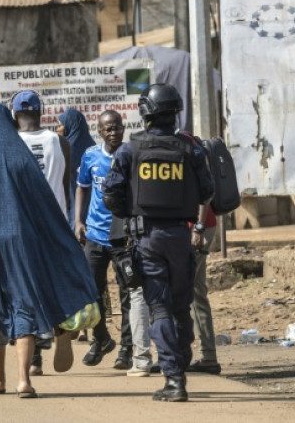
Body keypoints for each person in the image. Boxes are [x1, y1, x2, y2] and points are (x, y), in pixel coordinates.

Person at [0, 104, 98, 398]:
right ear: (10, 123)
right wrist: (57, 236)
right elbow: (44, 204)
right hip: (21, 243)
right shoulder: (20, 158)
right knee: (22, 303)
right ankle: (24, 380)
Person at [103, 83, 214, 402]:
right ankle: (181, 360)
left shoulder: (130, 150)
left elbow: (111, 193)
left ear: (145, 113)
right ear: (174, 113)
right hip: (182, 236)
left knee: (160, 307)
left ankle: (174, 379)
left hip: (148, 239)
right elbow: (207, 192)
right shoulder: (190, 148)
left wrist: (131, 216)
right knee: (181, 307)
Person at [75, 110, 144, 371]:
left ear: (123, 128)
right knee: (92, 292)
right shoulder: (91, 156)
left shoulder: (131, 155)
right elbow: (82, 186)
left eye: (117, 127)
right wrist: (78, 221)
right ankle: (101, 338)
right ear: (100, 132)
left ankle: (126, 347)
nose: (113, 132)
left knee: (127, 291)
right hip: (94, 234)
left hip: (122, 237)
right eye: (108, 129)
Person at [11, 90, 72, 375]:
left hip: (23, 228)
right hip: (56, 225)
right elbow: (65, 183)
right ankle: (61, 331)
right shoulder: (60, 142)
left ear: (15, 115)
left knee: (26, 291)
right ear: (40, 112)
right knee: (55, 283)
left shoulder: (8, 145)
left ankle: (34, 358)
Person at [186, 203, 221, 375]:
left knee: (182, 289)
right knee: (196, 293)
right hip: (197, 227)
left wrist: (198, 228)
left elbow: (204, 196)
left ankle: (177, 354)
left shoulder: (193, 173)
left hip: (196, 229)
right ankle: (209, 356)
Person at [58, 107, 96, 226]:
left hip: (72, 211)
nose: (57, 130)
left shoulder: (64, 150)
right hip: (93, 213)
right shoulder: (93, 148)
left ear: (70, 126)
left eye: (60, 125)